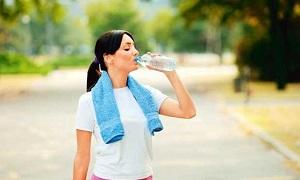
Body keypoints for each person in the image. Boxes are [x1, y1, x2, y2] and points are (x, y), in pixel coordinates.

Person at [73, 30, 196, 180]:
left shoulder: (146, 95)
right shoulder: (89, 101)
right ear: (108, 57)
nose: (135, 52)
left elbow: (188, 112)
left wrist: (171, 73)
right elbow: (82, 157)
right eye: (127, 48)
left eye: (134, 47)